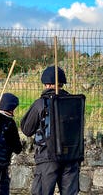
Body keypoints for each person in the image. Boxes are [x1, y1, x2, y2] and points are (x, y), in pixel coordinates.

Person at [20, 66, 81, 195]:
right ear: (62, 83)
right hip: (72, 156)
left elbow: (27, 129)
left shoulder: (41, 103)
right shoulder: (75, 102)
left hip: (47, 157)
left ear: (46, 84)